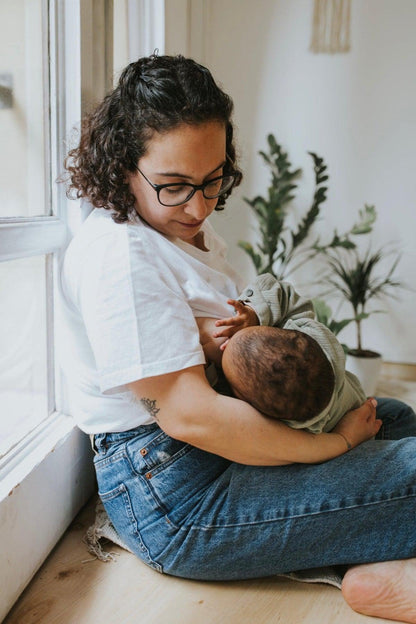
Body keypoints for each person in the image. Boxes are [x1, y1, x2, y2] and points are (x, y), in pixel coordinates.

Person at [59, 54, 416, 623]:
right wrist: (334, 446)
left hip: (213, 450)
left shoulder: (186, 234)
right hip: (178, 495)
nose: (200, 206)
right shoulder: (121, 256)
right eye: (174, 186)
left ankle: (379, 566)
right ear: (123, 164)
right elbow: (190, 418)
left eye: (213, 179)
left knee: (391, 416)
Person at [197, 273, 366, 435]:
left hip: (355, 416)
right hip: (358, 405)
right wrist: (255, 312)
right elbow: (284, 294)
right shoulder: (316, 339)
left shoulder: (283, 428)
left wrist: (209, 370)